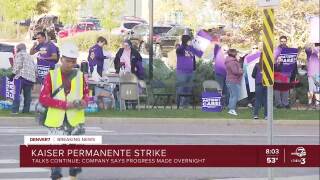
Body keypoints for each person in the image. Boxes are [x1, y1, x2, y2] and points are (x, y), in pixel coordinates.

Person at [39, 42, 89, 180]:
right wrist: (64, 104)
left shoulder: (80, 76)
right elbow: (43, 98)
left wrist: (84, 102)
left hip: (75, 120)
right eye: (67, 61)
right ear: (61, 59)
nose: (70, 64)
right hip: (56, 120)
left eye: (73, 61)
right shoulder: (51, 75)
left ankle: (73, 177)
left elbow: (86, 95)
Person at [114, 39, 144, 109]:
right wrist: (117, 68)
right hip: (123, 72)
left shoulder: (134, 52)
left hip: (132, 72)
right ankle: (126, 104)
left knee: (132, 88)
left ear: (130, 46)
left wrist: (137, 67)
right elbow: (116, 60)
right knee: (123, 87)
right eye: (124, 45)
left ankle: (134, 105)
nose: (125, 47)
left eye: (126, 45)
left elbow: (140, 60)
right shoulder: (120, 51)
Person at [10, 43, 36, 114]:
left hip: (21, 77)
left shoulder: (19, 54)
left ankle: (15, 111)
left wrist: (12, 75)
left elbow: (18, 65)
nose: (16, 50)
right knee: (27, 96)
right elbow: (34, 68)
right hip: (30, 79)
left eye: (16, 48)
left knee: (17, 94)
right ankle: (26, 111)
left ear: (19, 49)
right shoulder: (29, 56)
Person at [176, 34, 201, 108]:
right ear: (186, 41)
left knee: (188, 89)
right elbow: (179, 50)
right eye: (190, 40)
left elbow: (199, 53)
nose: (191, 42)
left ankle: (185, 104)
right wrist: (186, 47)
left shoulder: (191, 48)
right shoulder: (181, 49)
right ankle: (179, 104)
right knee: (181, 88)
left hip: (191, 71)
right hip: (182, 72)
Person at [274, 35, 297, 109]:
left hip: (287, 72)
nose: (283, 42)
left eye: (284, 41)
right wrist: (277, 60)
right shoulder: (276, 50)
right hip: (278, 71)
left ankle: (285, 103)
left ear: (286, 41)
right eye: (282, 41)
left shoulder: (289, 50)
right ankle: (278, 104)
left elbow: (293, 61)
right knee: (277, 88)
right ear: (279, 41)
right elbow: (272, 60)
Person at [225, 49, 243, 116]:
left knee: (232, 95)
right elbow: (235, 71)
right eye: (237, 53)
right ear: (234, 54)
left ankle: (230, 108)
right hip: (233, 81)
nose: (237, 54)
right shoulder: (232, 62)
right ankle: (232, 109)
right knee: (235, 95)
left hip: (229, 80)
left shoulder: (228, 60)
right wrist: (241, 71)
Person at [252, 54, 267, 119]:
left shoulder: (257, 65)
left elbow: (253, 75)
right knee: (266, 100)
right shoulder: (269, 65)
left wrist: (258, 77)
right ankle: (266, 115)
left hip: (258, 84)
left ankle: (256, 115)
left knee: (258, 100)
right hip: (267, 84)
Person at [305, 43, 320, 108]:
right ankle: (310, 102)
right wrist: (311, 46)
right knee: (311, 89)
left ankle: (317, 103)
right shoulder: (309, 53)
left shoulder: (317, 51)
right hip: (311, 74)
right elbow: (306, 49)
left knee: (317, 89)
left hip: (317, 73)